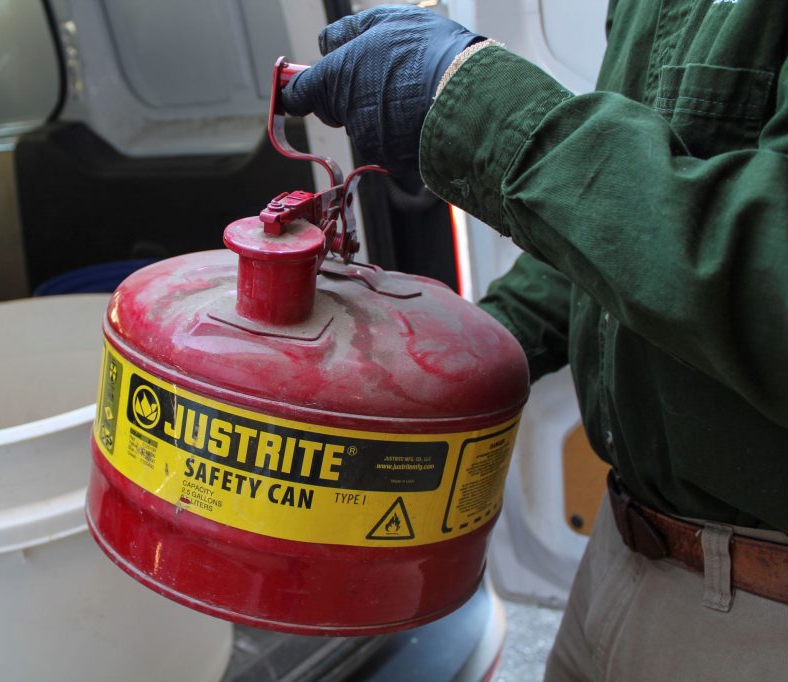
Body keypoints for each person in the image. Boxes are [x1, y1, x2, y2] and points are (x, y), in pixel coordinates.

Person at [281, 3, 788, 680]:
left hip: (761, 612)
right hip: (620, 551)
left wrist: (473, 96)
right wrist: (439, 368)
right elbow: (619, 238)